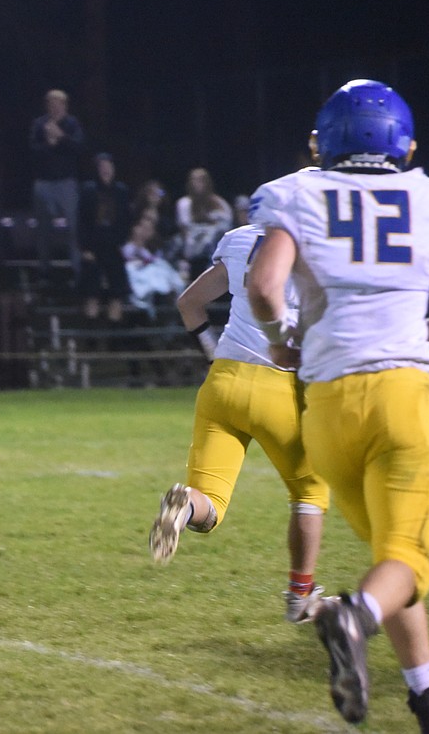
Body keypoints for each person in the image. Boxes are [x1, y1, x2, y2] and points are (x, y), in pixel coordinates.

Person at [247, 79, 429, 730]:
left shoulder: (298, 191)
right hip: (401, 397)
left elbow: (264, 287)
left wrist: (282, 339)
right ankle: (352, 616)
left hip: (329, 409)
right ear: (404, 143)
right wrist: (410, 329)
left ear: (324, 141)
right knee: (407, 556)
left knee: (391, 561)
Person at [148, 218, 329, 625]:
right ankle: (300, 597)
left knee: (209, 502)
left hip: (223, 382)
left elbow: (188, 303)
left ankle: (182, 507)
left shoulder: (241, 239)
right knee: (310, 493)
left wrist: (212, 352)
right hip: (281, 386)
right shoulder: (324, 244)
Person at [29, 89, 86, 287]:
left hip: (66, 183)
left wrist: (60, 137)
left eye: (59, 104)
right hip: (44, 183)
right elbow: (33, 151)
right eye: (51, 104)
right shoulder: (39, 124)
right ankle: (45, 271)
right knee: (44, 230)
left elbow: (79, 148)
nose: (55, 107)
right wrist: (50, 143)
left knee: (73, 230)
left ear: (65, 105)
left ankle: (77, 272)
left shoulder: (72, 124)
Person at [76, 152, 132, 322]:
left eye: (109, 166)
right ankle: (92, 337)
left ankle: (115, 338)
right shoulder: (88, 190)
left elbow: (126, 219)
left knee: (117, 291)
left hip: (115, 246)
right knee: (91, 291)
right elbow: (82, 221)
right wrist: (85, 248)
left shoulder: (121, 191)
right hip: (93, 247)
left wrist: (124, 243)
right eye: (102, 167)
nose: (106, 170)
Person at [121, 215, 185, 320]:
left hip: (152, 273)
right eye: (142, 228)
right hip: (133, 274)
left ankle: (164, 294)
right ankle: (151, 296)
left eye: (148, 229)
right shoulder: (126, 247)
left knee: (160, 269)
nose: (144, 232)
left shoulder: (154, 250)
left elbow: (155, 262)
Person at [175, 167, 233, 280]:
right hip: (193, 247)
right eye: (194, 180)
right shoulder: (184, 203)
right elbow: (185, 229)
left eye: (201, 180)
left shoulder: (219, 203)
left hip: (215, 248)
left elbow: (227, 225)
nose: (197, 184)